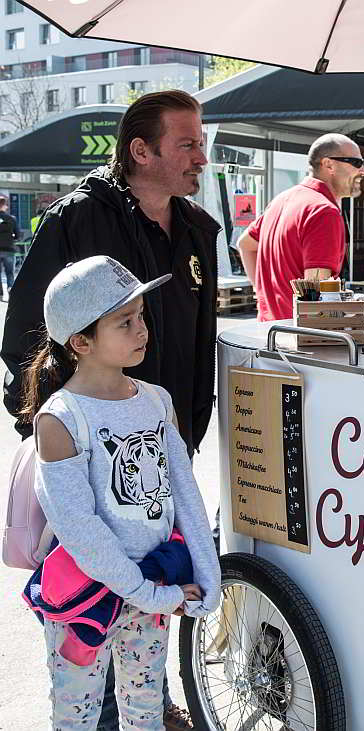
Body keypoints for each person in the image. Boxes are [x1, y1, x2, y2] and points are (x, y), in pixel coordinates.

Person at [1, 89, 220, 731]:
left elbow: (200, 335)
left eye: (201, 143)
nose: (200, 157)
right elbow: (23, 338)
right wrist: (58, 436)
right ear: (141, 151)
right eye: (187, 143)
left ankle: (144, 709)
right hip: (88, 462)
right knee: (88, 624)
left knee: (141, 636)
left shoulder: (199, 231)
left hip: (160, 444)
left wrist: (182, 427)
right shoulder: (79, 219)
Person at [22, 256, 221, 730]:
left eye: (141, 316)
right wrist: (145, 592)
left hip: (154, 589)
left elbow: (184, 496)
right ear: (80, 341)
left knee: (146, 709)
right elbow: (78, 527)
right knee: (77, 714)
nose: (141, 329)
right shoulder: (60, 419)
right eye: (123, 321)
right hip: (86, 596)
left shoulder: (155, 400)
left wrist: (206, 577)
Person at [238, 133, 364, 321]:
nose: (363, 171)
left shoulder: (282, 199)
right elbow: (316, 299)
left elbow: (245, 244)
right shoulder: (323, 211)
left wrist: (263, 294)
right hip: (299, 339)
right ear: (328, 164)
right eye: (356, 162)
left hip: (269, 330)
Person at [0, 194, 19, 300]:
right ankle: (10, 289)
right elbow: (17, 234)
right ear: (4, 206)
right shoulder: (11, 219)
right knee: (9, 273)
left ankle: (0, 294)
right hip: (9, 249)